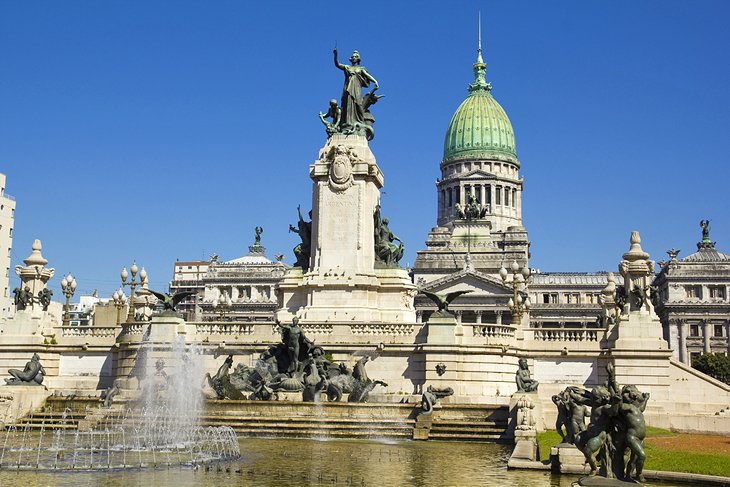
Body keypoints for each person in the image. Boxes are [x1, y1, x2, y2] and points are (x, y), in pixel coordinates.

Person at [333, 48, 379, 132]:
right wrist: (335, 55)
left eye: (355, 56)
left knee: (357, 104)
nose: (353, 58)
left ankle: (359, 122)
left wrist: (375, 81)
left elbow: (368, 76)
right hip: (348, 89)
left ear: (358, 59)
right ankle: (347, 123)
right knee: (347, 104)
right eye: (352, 57)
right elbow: (337, 64)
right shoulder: (347, 67)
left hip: (356, 89)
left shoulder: (361, 69)